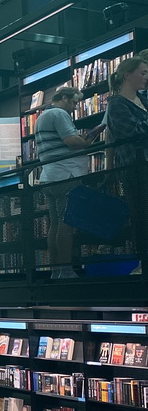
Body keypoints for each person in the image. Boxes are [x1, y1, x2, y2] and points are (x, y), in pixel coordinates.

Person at [34, 86, 100, 278]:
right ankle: (66, 269)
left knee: (54, 224)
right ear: (63, 97)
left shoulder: (41, 117)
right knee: (67, 223)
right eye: (74, 102)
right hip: (66, 173)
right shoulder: (59, 114)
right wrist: (88, 140)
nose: (74, 107)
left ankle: (56, 271)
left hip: (50, 175)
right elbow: (71, 141)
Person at [105, 53, 148, 269]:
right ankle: (144, 262)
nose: (146, 77)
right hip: (136, 167)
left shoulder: (144, 100)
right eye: (143, 72)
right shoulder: (116, 104)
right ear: (127, 75)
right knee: (142, 214)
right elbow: (131, 132)